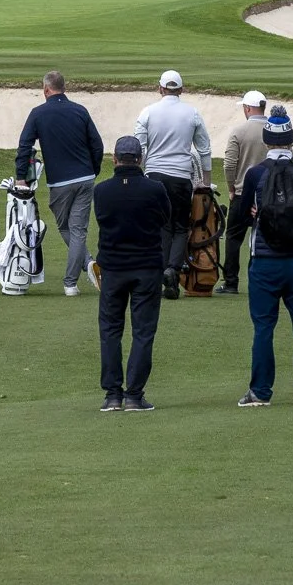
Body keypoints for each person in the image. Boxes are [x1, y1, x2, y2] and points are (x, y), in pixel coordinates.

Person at [236, 107, 293, 407]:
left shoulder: (256, 174)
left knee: (264, 328)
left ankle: (260, 391)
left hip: (265, 263)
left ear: (267, 140)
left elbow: (243, 214)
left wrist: (256, 214)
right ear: (291, 140)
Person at [92, 135, 170, 412]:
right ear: (139, 159)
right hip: (146, 267)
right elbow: (165, 218)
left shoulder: (102, 191)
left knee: (111, 330)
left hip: (113, 268)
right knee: (143, 331)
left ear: (114, 159)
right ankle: (134, 395)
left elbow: (103, 219)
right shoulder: (155, 189)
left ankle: (113, 395)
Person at [13, 71, 105, 297]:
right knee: (78, 230)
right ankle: (83, 270)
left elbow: (25, 146)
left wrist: (20, 176)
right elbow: (97, 145)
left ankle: (72, 280)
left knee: (67, 228)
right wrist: (93, 170)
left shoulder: (38, 113)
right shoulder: (80, 111)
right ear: (64, 88)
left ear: (46, 89)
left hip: (60, 182)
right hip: (85, 179)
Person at [133, 70, 212, 301]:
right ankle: (173, 271)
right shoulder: (192, 113)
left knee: (160, 226)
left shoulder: (148, 112)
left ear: (160, 89)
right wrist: (205, 182)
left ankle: (161, 273)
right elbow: (204, 149)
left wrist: (141, 173)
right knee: (179, 226)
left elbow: (140, 148)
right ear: (181, 90)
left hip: (154, 176)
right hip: (180, 177)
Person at [215, 91, 268, 295]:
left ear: (247, 108)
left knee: (234, 237)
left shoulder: (239, 131)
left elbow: (229, 164)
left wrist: (231, 187)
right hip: (267, 193)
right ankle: (259, 280)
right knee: (264, 235)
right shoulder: (273, 129)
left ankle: (231, 282)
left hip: (241, 193)